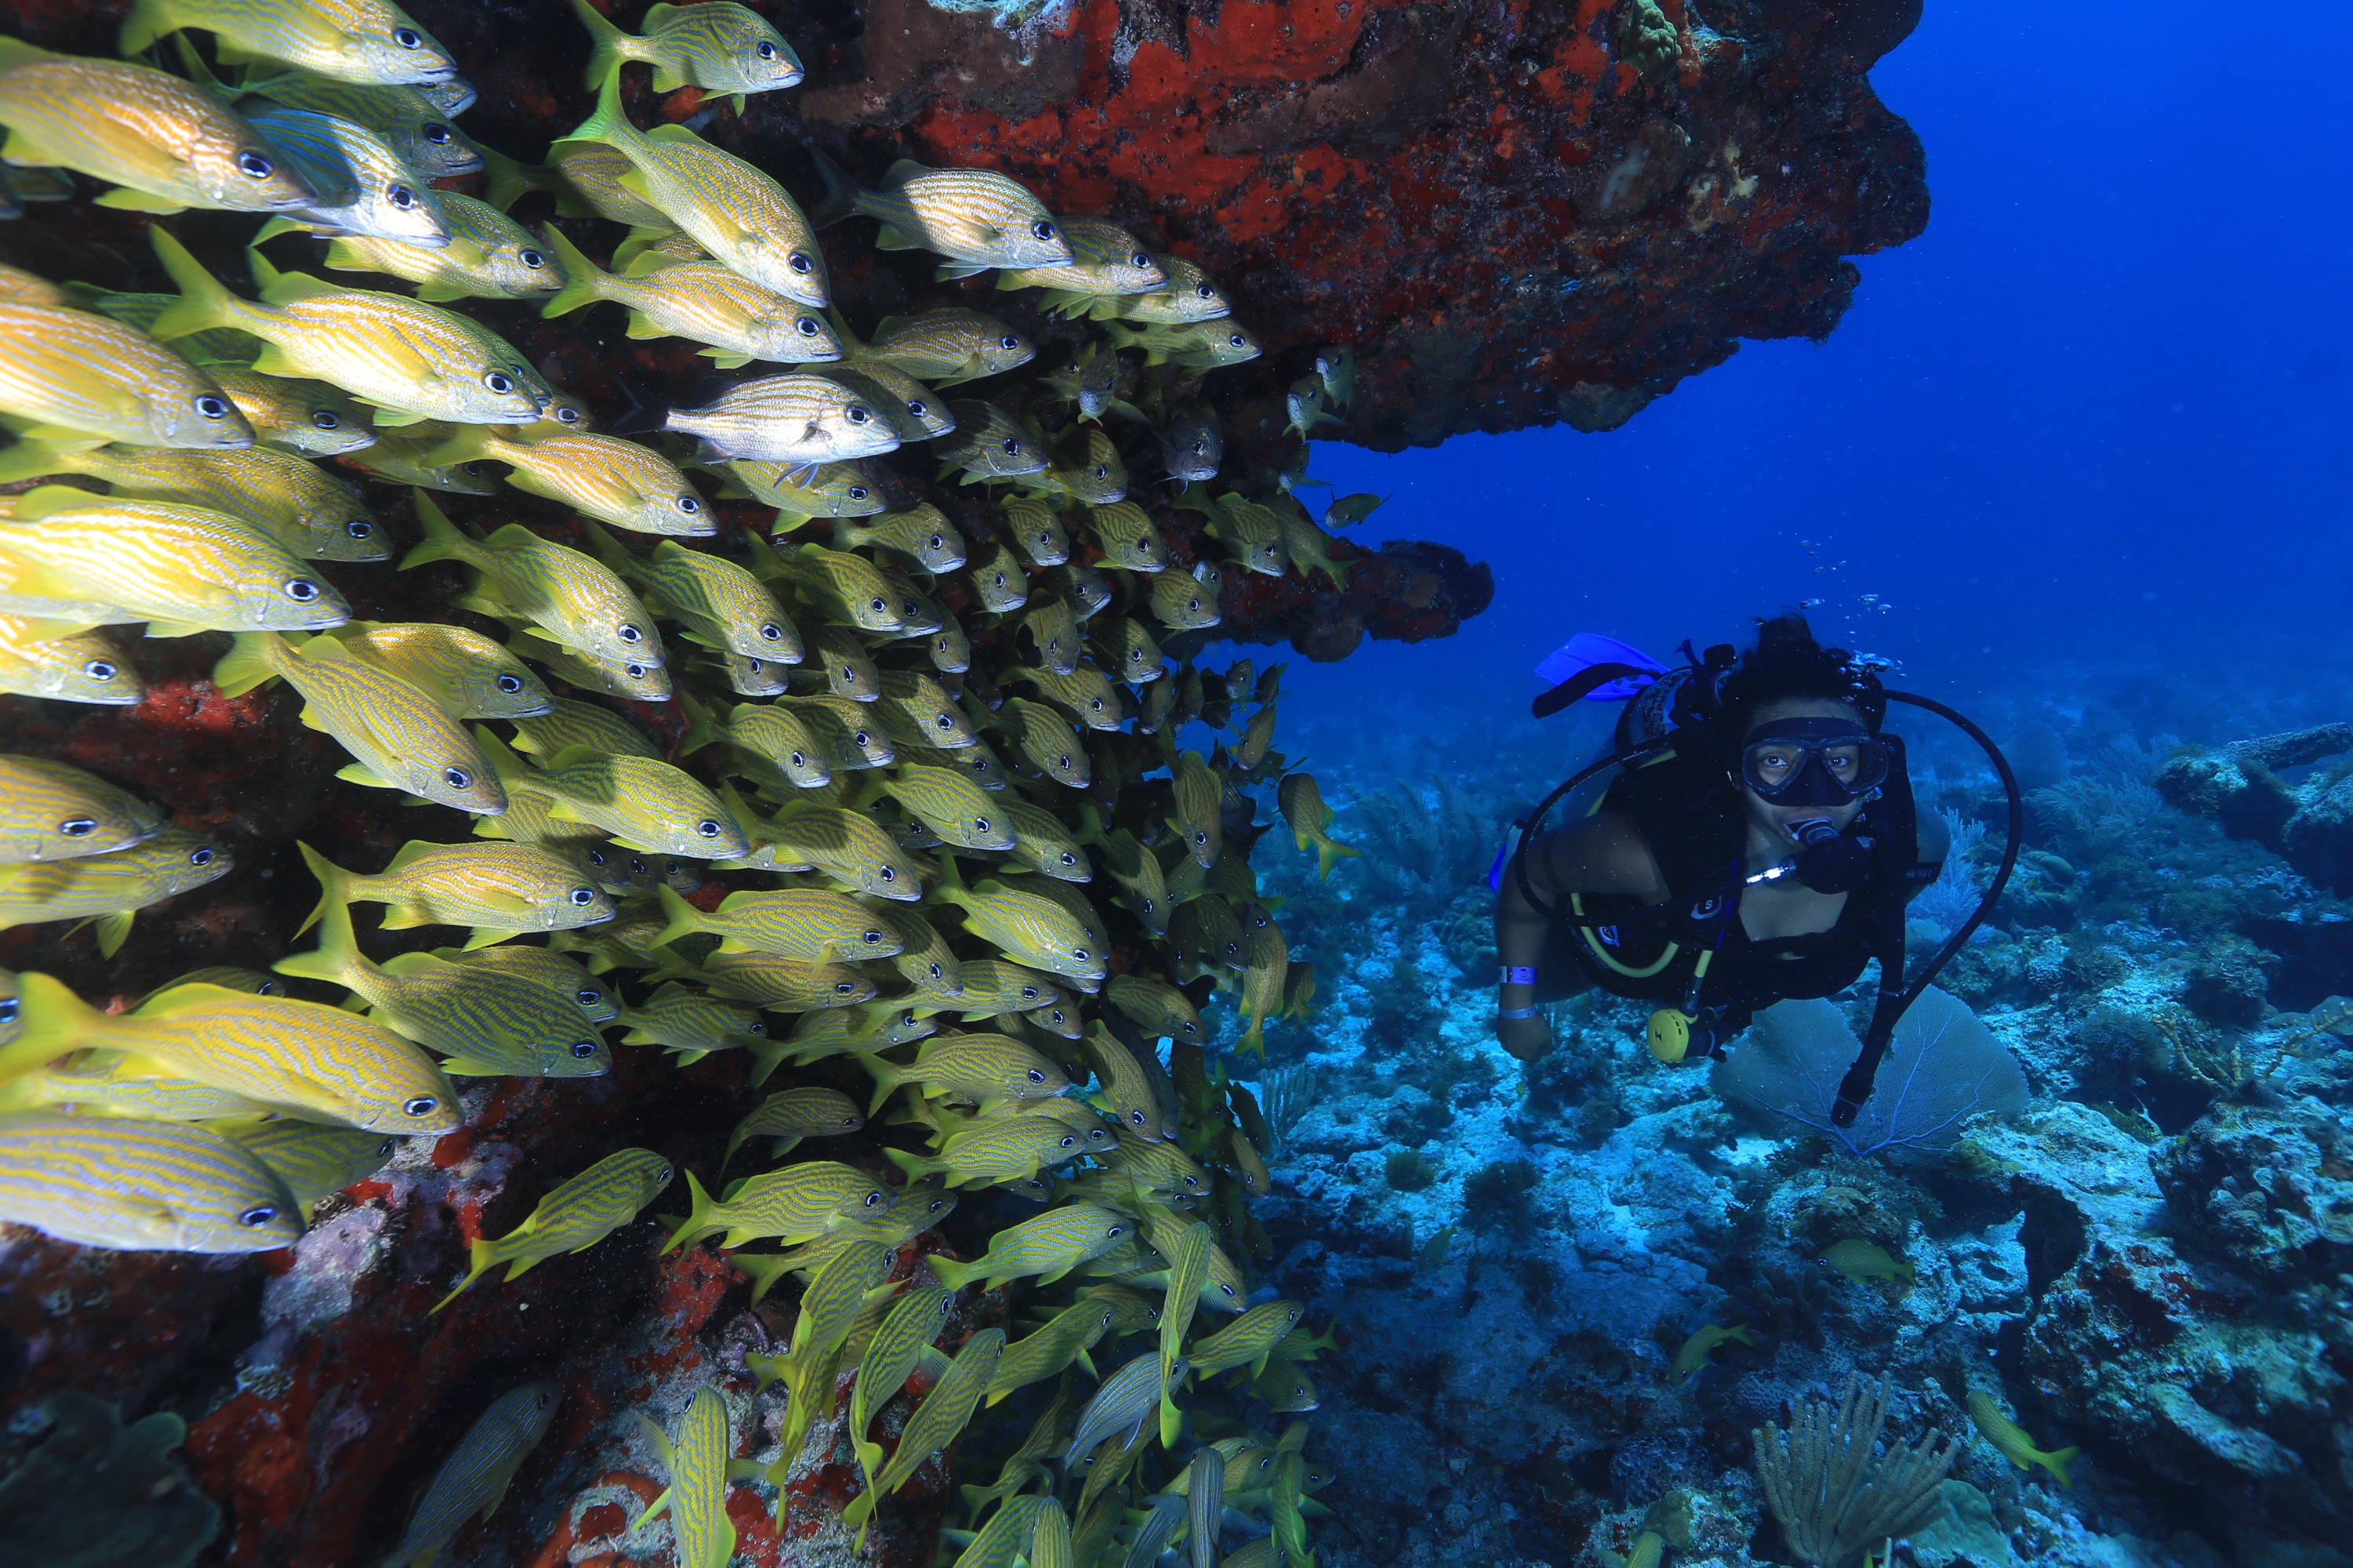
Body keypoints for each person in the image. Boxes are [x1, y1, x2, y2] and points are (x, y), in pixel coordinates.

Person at [1493, 614, 1951, 1064]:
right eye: (1775, 762)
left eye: (1841, 761)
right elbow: (1530, 874)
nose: (1813, 794)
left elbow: (1875, 914)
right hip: (1621, 929)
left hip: (1706, 970)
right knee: (1550, 983)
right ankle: (1537, 816)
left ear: (1874, 766)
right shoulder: (1647, 853)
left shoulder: (1915, 846)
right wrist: (1516, 1008)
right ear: (1736, 771)